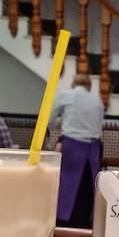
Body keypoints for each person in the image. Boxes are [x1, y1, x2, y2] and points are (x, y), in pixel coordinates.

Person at [50, 74, 104, 228]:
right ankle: (84, 225)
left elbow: (49, 118)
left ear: (73, 83)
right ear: (89, 86)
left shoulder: (67, 96)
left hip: (72, 149)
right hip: (93, 151)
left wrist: (53, 129)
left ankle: (64, 224)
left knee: (66, 189)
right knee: (86, 191)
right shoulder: (97, 101)